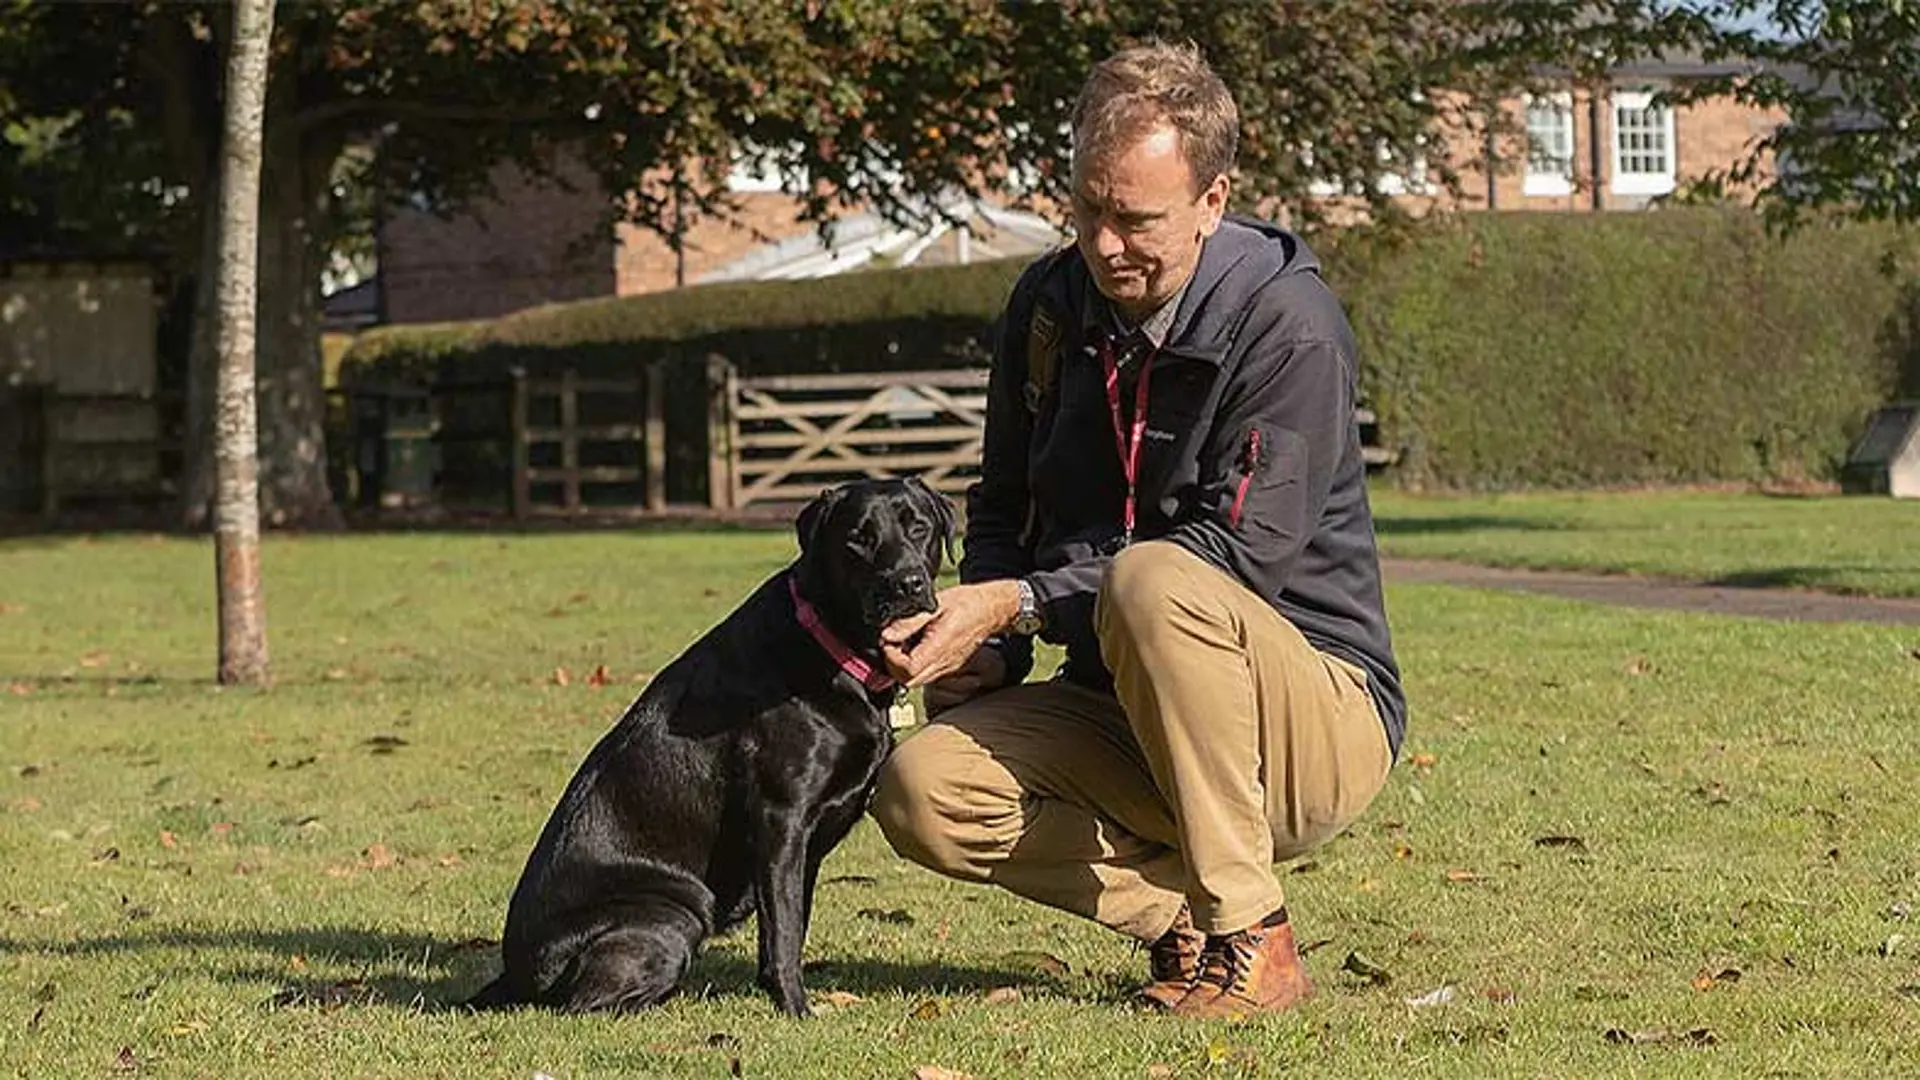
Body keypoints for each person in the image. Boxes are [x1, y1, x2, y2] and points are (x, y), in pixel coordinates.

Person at [870, 41, 1407, 1019]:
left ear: (1213, 200)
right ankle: (1182, 923)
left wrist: (1019, 601)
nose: (1106, 245)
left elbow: (1239, 560)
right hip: (1119, 704)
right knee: (919, 787)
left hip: (1314, 720)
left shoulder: (1290, 327)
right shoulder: (1045, 306)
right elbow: (1003, 507)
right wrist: (986, 642)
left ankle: (1257, 941)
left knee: (1151, 580)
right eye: (1087, 210)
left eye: (1136, 219)